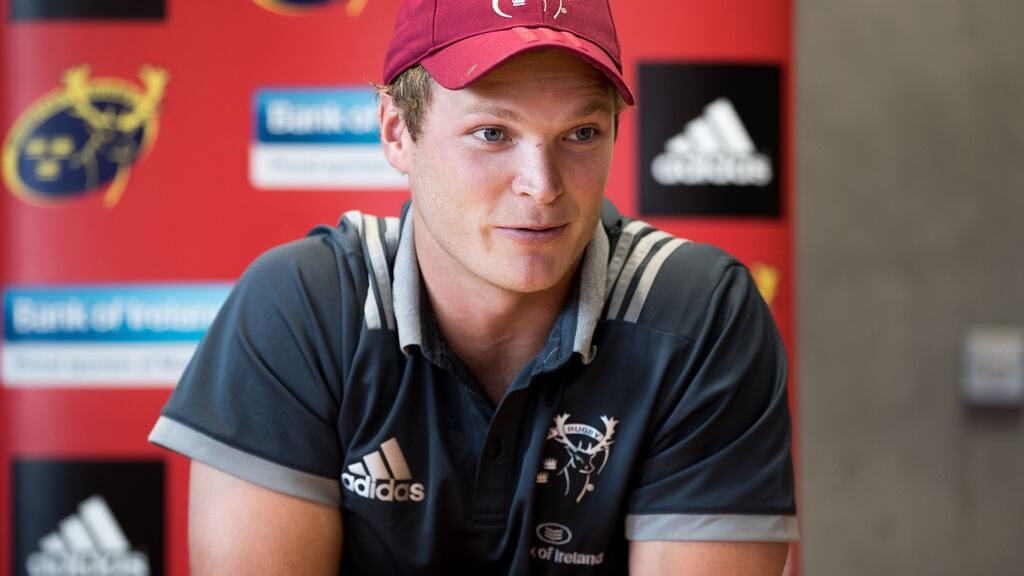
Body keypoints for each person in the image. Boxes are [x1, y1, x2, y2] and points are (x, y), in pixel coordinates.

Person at [149, 0, 798, 573]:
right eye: (493, 133)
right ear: (397, 132)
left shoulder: (698, 313)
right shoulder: (302, 307)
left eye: (580, 134)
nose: (541, 186)